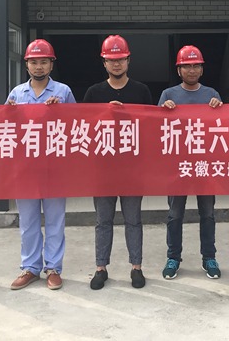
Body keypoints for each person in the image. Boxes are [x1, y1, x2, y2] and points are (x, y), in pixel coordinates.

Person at [83, 35, 153, 290]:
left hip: (133, 168)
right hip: (103, 169)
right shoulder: (94, 92)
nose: (116, 64)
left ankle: (136, 267)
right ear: (104, 62)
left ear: (128, 60)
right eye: (111, 60)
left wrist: (126, 114)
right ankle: (101, 268)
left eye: (121, 59)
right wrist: (105, 114)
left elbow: (151, 126)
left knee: (133, 220)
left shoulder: (141, 91)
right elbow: (83, 128)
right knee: (103, 221)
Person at [7, 39, 76, 291]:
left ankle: (53, 268)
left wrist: (61, 112)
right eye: (34, 62)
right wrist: (9, 112)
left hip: (54, 167)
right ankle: (30, 268)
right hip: (25, 168)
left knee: (55, 220)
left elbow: (77, 126)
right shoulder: (16, 94)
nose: (39, 67)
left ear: (51, 64)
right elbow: (4, 130)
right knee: (28, 222)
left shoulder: (63, 92)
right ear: (26, 65)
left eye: (43, 62)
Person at [159, 45, 223, 280]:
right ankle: (173, 258)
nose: (192, 70)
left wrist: (219, 109)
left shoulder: (211, 94)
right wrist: (163, 112)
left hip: (205, 165)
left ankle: (209, 257)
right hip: (177, 166)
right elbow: (156, 129)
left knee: (208, 214)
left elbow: (222, 129)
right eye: (187, 66)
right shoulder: (168, 95)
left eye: (196, 65)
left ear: (202, 69)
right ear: (179, 70)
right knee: (175, 215)